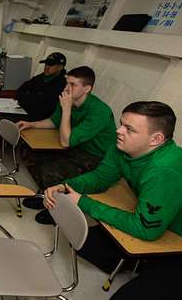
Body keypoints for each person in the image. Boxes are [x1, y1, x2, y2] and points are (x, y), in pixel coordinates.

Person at [43, 101, 182, 300]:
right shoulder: (122, 147)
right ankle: (145, 264)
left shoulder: (165, 170)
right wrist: (67, 186)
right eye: (122, 124)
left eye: (129, 129)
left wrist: (84, 202)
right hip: (165, 230)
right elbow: (99, 178)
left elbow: (145, 230)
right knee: (83, 241)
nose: (118, 130)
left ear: (156, 139)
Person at [18, 66, 117, 224]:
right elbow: (54, 122)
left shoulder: (99, 111)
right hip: (77, 148)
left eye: (73, 84)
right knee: (30, 153)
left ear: (87, 89)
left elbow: (65, 141)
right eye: (66, 83)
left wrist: (67, 109)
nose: (67, 88)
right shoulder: (67, 101)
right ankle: (47, 194)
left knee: (51, 170)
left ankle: (57, 208)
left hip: (97, 158)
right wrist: (32, 124)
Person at [0, 52, 66, 124]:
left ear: (60, 67)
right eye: (46, 64)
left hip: (36, 117)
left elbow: (40, 104)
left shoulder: (61, 84)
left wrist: (28, 97)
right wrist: (30, 97)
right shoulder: (40, 77)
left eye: (51, 65)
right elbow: (21, 90)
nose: (47, 67)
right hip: (22, 108)